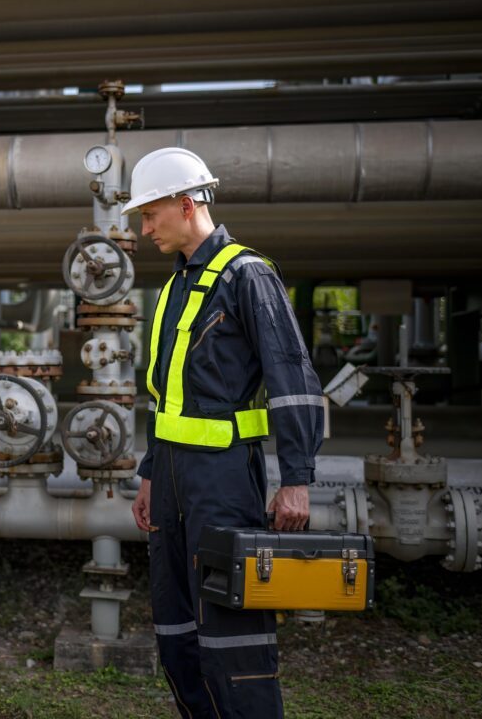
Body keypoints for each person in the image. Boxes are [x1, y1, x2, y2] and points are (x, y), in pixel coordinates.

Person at [123, 148, 324, 718]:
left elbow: (293, 378)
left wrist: (298, 480)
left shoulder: (248, 276)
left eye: (150, 214)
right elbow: (167, 398)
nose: (144, 229)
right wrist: (149, 476)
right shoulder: (172, 289)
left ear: (187, 205)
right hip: (173, 483)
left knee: (233, 640)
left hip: (225, 484)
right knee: (178, 636)